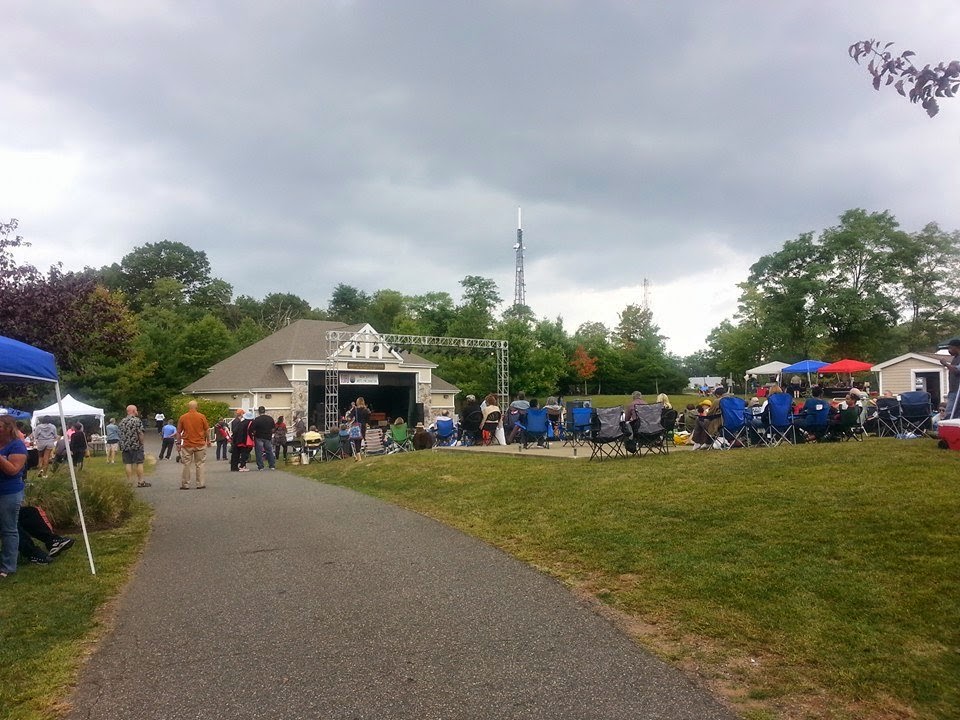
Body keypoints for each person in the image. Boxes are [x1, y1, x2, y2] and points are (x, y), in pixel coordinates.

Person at [0, 415, 27, 578]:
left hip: (9, 491)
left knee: (9, 529)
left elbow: (13, 470)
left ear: (9, 429)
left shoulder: (17, 446)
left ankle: (8, 566)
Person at [177, 400, 211, 489]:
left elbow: (178, 431)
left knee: (186, 464)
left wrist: (178, 443)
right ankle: (200, 484)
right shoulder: (201, 416)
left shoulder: (183, 417)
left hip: (187, 444)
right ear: (197, 407)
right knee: (200, 464)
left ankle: (185, 484)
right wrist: (208, 440)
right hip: (200, 443)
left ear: (189, 407)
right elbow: (207, 430)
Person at [119, 405, 150, 488]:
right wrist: (141, 443)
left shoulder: (122, 421)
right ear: (133, 411)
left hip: (125, 445)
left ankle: (129, 482)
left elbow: (120, 433)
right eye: (136, 410)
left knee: (128, 463)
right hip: (136, 445)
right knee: (139, 463)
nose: (137, 411)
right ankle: (141, 481)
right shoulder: (137, 421)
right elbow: (140, 433)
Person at [250, 406, 277, 471]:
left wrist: (254, 433)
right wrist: (270, 433)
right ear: (265, 411)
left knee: (259, 452)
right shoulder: (270, 419)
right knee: (269, 451)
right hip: (268, 437)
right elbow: (273, 429)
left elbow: (252, 429)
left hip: (259, 437)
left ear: (259, 412)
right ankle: (272, 465)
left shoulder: (256, 420)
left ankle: (261, 466)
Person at [939, 337, 960, 418]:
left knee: (949, 413)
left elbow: (956, 370)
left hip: (957, 391)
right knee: (954, 414)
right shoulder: (955, 358)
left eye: (950, 347)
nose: (949, 350)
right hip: (953, 390)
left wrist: (945, 364)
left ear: (956, 347)